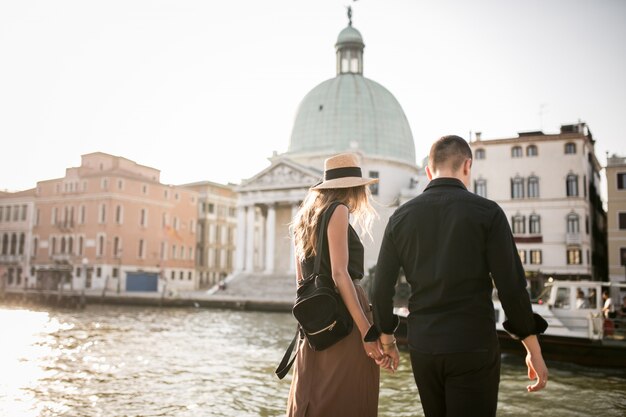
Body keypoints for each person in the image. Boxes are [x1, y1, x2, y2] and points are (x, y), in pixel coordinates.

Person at [371, 135, 549, 417]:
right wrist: (533, 349)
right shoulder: (488, 213)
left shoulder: (400, 218)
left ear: (429, 171)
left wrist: (387, 340)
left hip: (424, 347)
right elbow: (512, 287)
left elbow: (380, 288)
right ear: (468, 165)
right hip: (472, 345)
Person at [286, 153, 392, 417]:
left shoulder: (303, 218)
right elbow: (339, 274)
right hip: (344, 316)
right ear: (354, 187)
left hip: (314, 320)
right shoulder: (339, 210)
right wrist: (367, 332)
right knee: (348, 396)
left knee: (314, 393)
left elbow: (300, 282)